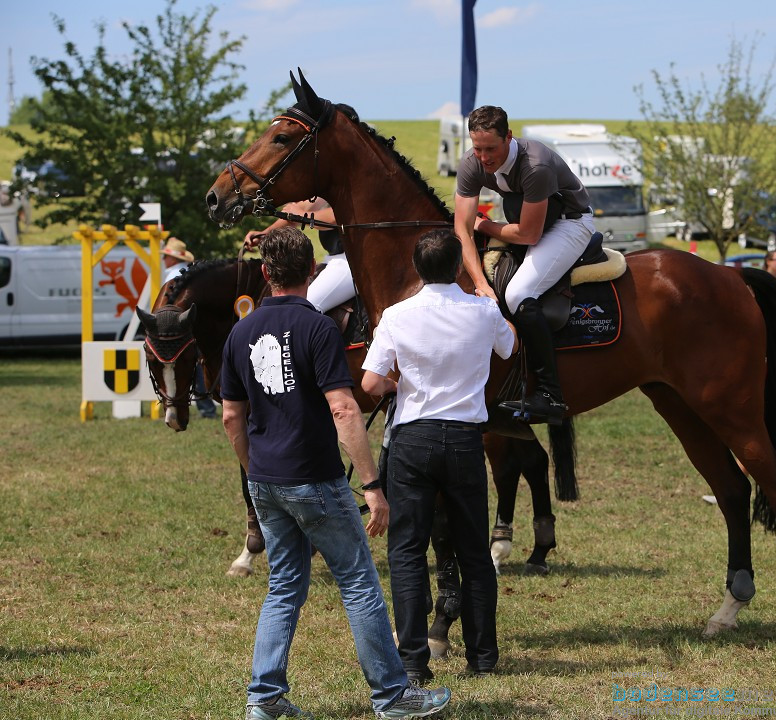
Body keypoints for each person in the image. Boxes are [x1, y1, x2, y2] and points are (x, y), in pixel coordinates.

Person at [220, 226, 450, 720]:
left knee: (283, 587)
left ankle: (264, 699)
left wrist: (253, 470)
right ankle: (392, 697)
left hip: (267, 479)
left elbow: (230, 416)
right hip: (315, 480)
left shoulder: (239, 332)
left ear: (265, 274)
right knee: (359, 583)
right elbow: (345, 410)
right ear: (313, 272)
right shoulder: (320, 329)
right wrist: (371, 485)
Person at [361, 228, 517, 683]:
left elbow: (371, 384)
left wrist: (397, 385)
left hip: (413, 439)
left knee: (407, 552)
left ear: (417, 268)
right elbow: (510, 345)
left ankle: (412, 661)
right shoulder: (482, 310)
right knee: (473, 550)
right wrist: (488, 295)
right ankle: (483, 656)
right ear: (456, 267)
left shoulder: (395, 314)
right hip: (465, 438)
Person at [453, 105, 595, 423]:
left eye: (491, 149)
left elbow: (529, 234)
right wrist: (480, 284)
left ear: (509, 137)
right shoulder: (470, 163)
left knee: (518, 293)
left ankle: (550, 395)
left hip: (571, 223)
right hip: (526, 220)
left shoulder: (536, 164)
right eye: (477, 148)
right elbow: (461, 227)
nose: (484, 157)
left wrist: (486, 226)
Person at [244, 197, 355, 314]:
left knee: (301, 307)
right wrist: (266, 233)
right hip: (334, 258)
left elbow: (340, 215)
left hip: (354, 262)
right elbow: (298, 210)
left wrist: (302, 215)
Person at [162, 237, 217, 418]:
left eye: (166, 256)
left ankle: (197, 406)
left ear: (173, 259)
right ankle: (207, 406)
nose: (164, 260)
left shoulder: (171, 275)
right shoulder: (189, 272)